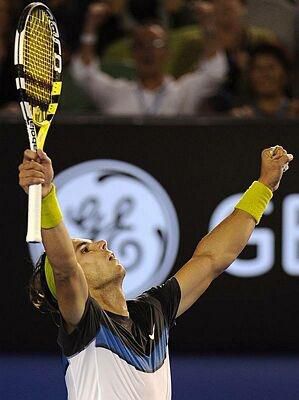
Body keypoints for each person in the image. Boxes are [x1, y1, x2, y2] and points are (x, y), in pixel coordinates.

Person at [18, 144, 293, 399]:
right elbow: (65, 269)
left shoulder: (153, 311)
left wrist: (264, 187)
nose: (101, 243)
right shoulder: (85, 326)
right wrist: (47, 197)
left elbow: (212, 259)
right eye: (85, 250)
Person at [70, 1, 228, 116]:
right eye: (141, 45)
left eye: (155, 44)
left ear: (167, 53)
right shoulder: (116, 93)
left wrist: (208, 26)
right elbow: (84, 74)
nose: (148, 51)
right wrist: (90, 27)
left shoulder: (183, 93)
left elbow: (213, 72)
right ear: (132, 53)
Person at [231, 44, 299, 118]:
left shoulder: (295, 111)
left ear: (285, 74)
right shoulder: (240, 114)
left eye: (271, 68)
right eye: (258, 68)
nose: (264, 74)